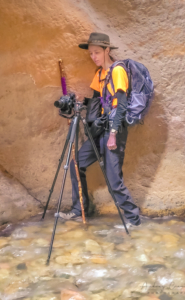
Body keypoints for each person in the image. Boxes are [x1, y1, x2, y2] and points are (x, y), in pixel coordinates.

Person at [59, 32, 141, 227]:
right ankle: (79, 210)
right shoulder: (99, 74)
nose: (93, 57)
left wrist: (113, 135)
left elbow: (120, 105)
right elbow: (97, 101)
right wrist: (82, 100)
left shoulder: (117, 71)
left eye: (97, 52)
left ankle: (133, 219)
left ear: (107, 50)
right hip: (100, 129)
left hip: (114, 130)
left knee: (114, 179)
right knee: (76, 163)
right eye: (91, 54)